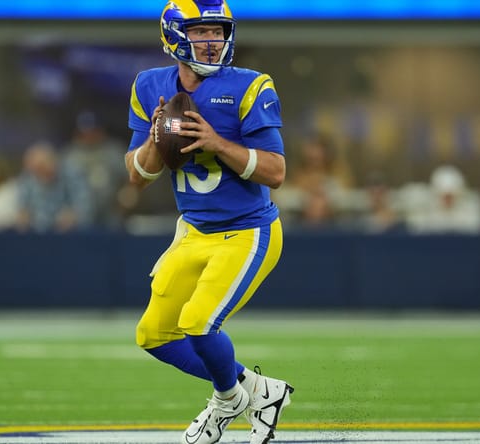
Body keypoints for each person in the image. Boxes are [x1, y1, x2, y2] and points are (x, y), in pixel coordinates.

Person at [124, 2, 293, 443]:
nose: (212, 41)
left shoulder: (251, 86)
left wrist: (217, 143)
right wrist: (157, 139)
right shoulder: (149, 86)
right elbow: (136, 177)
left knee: (198, 322)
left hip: (246, 230)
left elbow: (276, 172)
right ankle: (255, 392)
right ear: (174, 36)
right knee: (154, 334)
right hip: (193, 230)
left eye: (217, 32)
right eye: (201, 32)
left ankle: (226, 401)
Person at [17, 142, 92, 233]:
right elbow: (22, 208)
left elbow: (85, 207)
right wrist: (23, 216)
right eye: (34, 170)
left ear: (54, 162)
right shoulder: (27, 178)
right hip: (37, 234)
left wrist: (74, 215)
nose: (39, 173)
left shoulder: (73, 174)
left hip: (71, 234)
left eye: (42, 167)